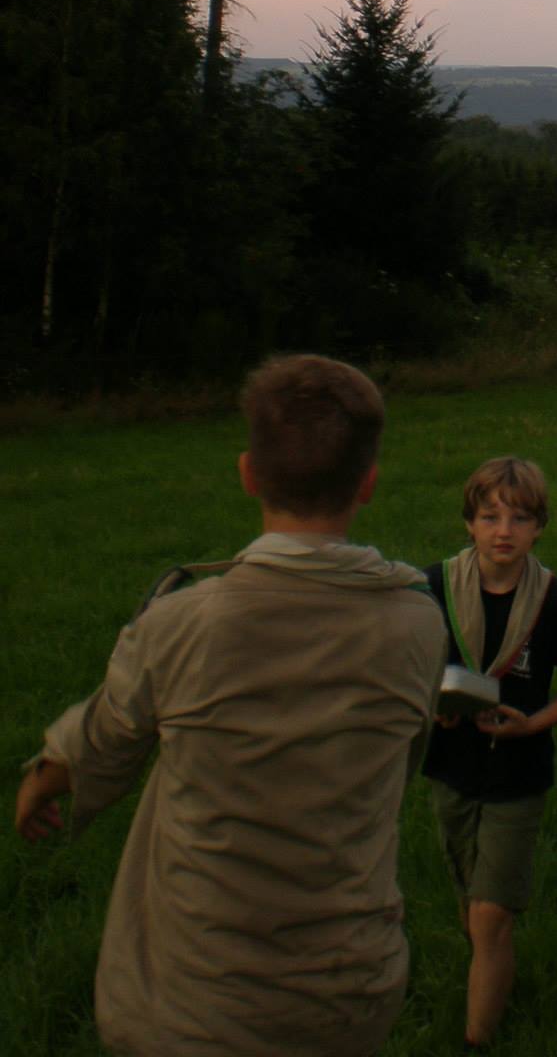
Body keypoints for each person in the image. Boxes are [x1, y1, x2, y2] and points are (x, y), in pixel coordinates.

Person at [14, 355, 446, 1057]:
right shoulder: (418, 625)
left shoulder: (183, 623)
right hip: (349, 993)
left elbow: (99, 744)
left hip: (193, 1003)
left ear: (248, 473)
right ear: (368, 483)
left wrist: (38, 783)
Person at [423, 457, 557, 1049]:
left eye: (519, 518)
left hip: (519, 773)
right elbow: (403, 673)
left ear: (539, 527)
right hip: (450, 768)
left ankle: (477, 1039)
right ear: (468, 522)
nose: (504, 531)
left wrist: (534, 724)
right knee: (475, 913)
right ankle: (494, 977)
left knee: (491, 915)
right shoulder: (433, 589)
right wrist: (433, 709)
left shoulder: (554, 601)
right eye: (490, 516)